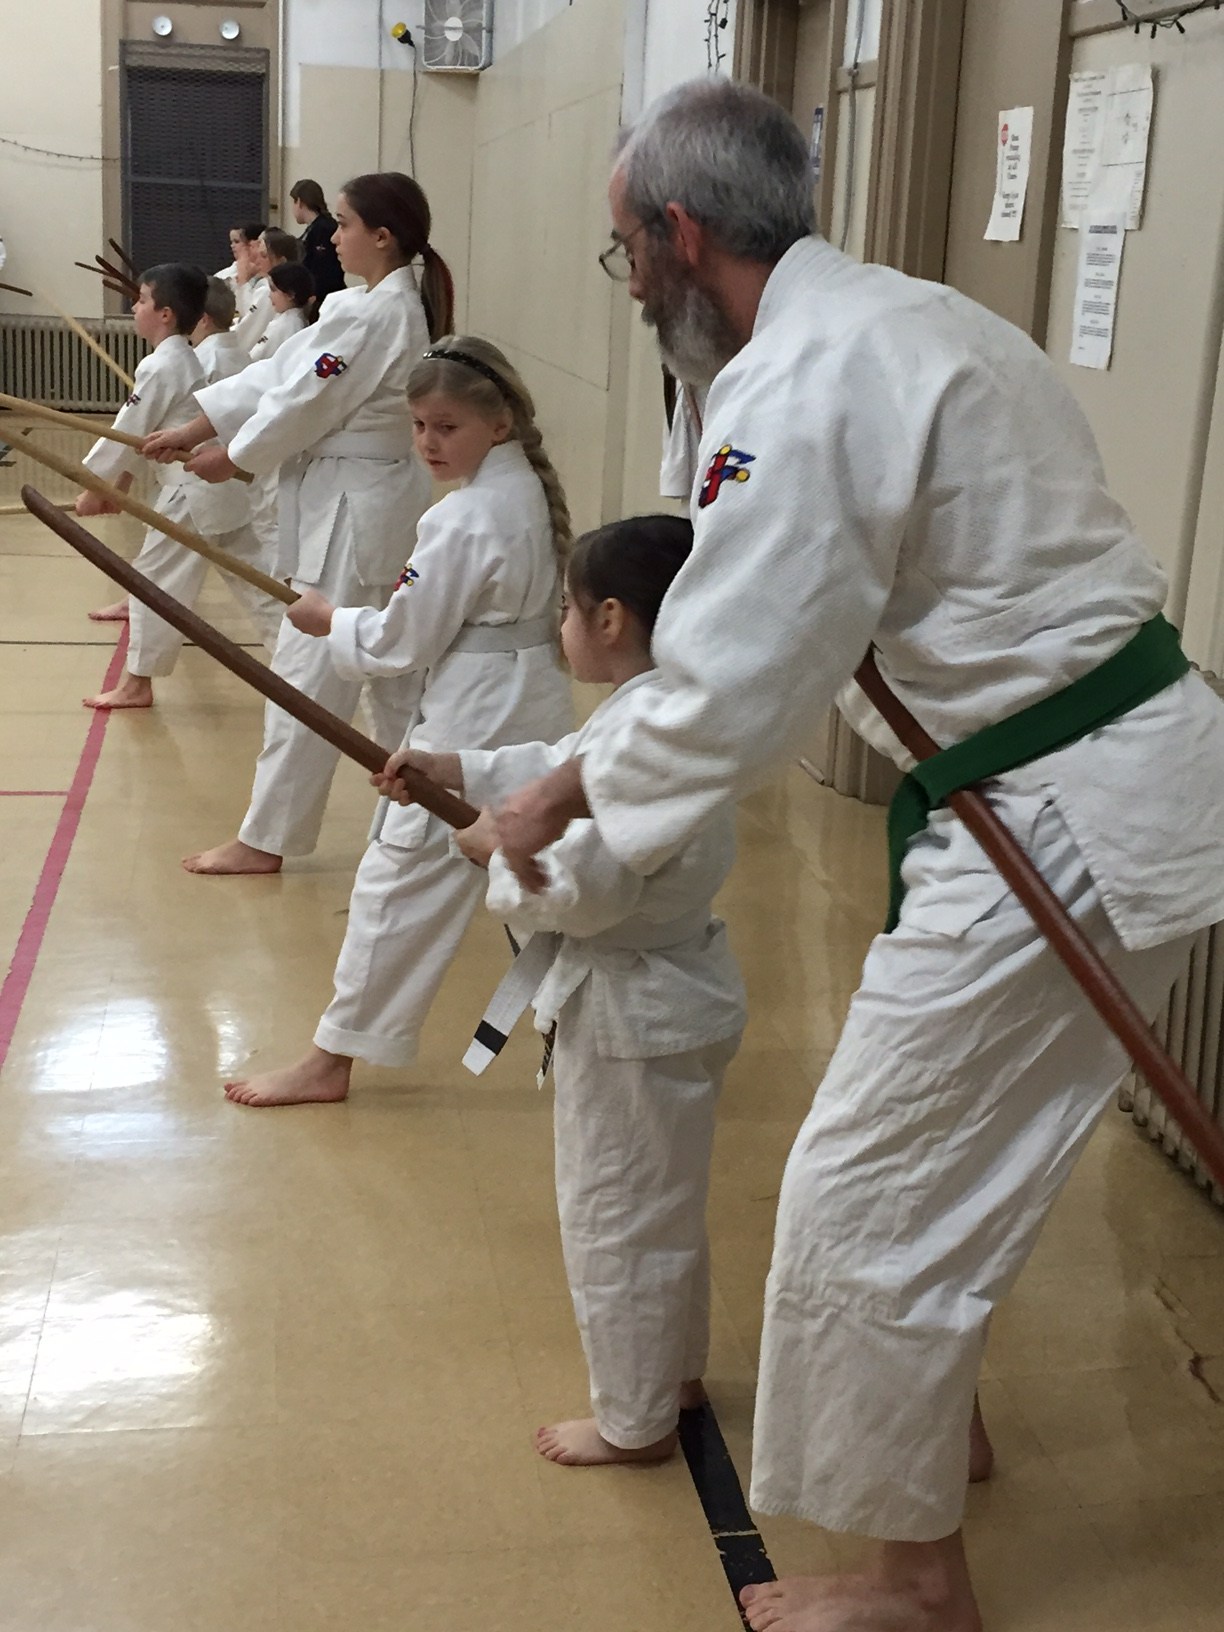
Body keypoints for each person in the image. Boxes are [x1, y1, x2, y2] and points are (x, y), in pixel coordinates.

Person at [485, 79, 1224, 1632]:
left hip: (1057, 809)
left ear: (682, 233)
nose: (629, 288)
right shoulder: (905, 318)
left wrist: (563, 794)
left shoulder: (806, 381)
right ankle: (937, 1430)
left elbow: (737, 669)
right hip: (1087, 784)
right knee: (947, 1150)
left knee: (862, 1189)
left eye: (626, 254)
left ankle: (912, 1587)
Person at [384, 513, 745, 1465]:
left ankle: (634, 1423)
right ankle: (672, 1373)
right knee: (661, 1204)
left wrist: (491, 853)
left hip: (633, 1008)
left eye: (568, 612)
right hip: (674, 991)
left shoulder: (649, 734)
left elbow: (582, 889)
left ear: (614, 619)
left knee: (617, 1218)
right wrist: (455, 768)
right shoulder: (661, 710)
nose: (562, 628)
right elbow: (556, 771)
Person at [223, 337, 573, 1106]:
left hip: (475, 716)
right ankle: (584, 1030)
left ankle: (330, 1061)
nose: (428, 443)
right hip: (527, 701)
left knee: (398, 881)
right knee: (537, 869)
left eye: (446, 426)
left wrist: (330, 621)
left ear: (500, 423)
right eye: (418, 425)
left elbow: (400, 638)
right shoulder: (520, 496)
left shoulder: (464, 517)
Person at [143, 172, 456, 875]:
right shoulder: (363, 305)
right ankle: (430, 822)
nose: (331, 238)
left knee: (309, 673)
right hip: (361, 502)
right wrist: (198, 423)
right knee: (390, 666)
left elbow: (305, 402)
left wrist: (238, 456)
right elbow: (280, 375)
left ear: (382, 236)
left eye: (342, 224)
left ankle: (266, 837)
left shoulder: (378, 314)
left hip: (353, 513)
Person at [76, 263, 283, 707]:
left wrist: (96, 486)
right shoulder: (179, 359)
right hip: (210, 491)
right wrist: (122, 480)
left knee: (154, 583)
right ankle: (303, 663)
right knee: (254, 583)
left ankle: (138, 684)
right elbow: (144, 433)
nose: (135, 307)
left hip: (190, 494)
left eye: (142, 300)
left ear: (165, 314)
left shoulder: (164, 364)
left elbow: (129, 427)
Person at [233, 228, 301, 353]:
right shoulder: (264, 284)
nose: (256, 259)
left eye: (264, 255)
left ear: (281, 261)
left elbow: (247, 331)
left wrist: (243, 281)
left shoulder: (268, 291)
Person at [291, 178, 346, 305]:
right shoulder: (313, 229)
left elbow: (322, 271)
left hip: (323, 299)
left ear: (299, 202)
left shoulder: (325, 229)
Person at [248, 262, 315, 362]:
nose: (269, 296)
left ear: (291, 295)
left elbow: (255, 358)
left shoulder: (284, 326)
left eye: (273, 290)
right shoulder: (296, 319)